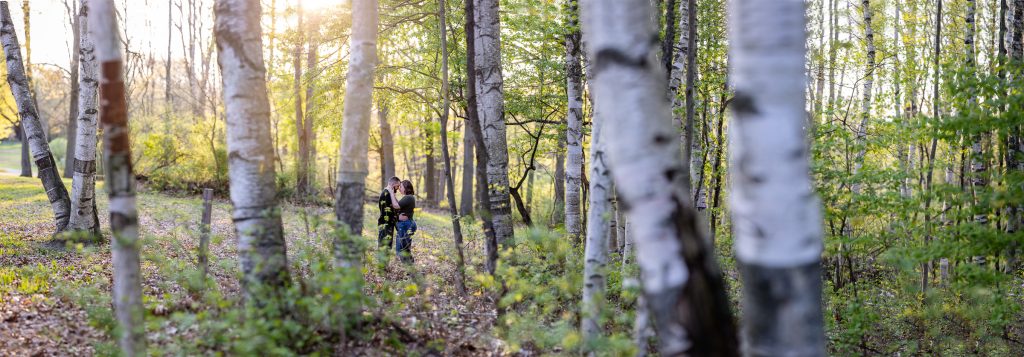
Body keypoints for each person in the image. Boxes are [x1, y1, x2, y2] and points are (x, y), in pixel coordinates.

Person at [389, 180, 417, 263]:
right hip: (406, 225)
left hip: (406, 225)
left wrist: (391, 192)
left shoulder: (408, 197)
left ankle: (410, 270)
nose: (399, 188)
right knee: (405, 249)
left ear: (406, 187)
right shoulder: (408, 197)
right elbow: (399, 204)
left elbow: (396, 205)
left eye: (401, 187)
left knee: (401, 250)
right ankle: (411, 270)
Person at [377, 176, 402, 250]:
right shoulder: (386, 194)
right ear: (393, 185)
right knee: (384, 247)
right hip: (385, 225)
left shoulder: (389, 193)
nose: (398, 188)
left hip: (389, 225)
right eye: (397, 186)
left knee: (387, 247)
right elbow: (388, 212)